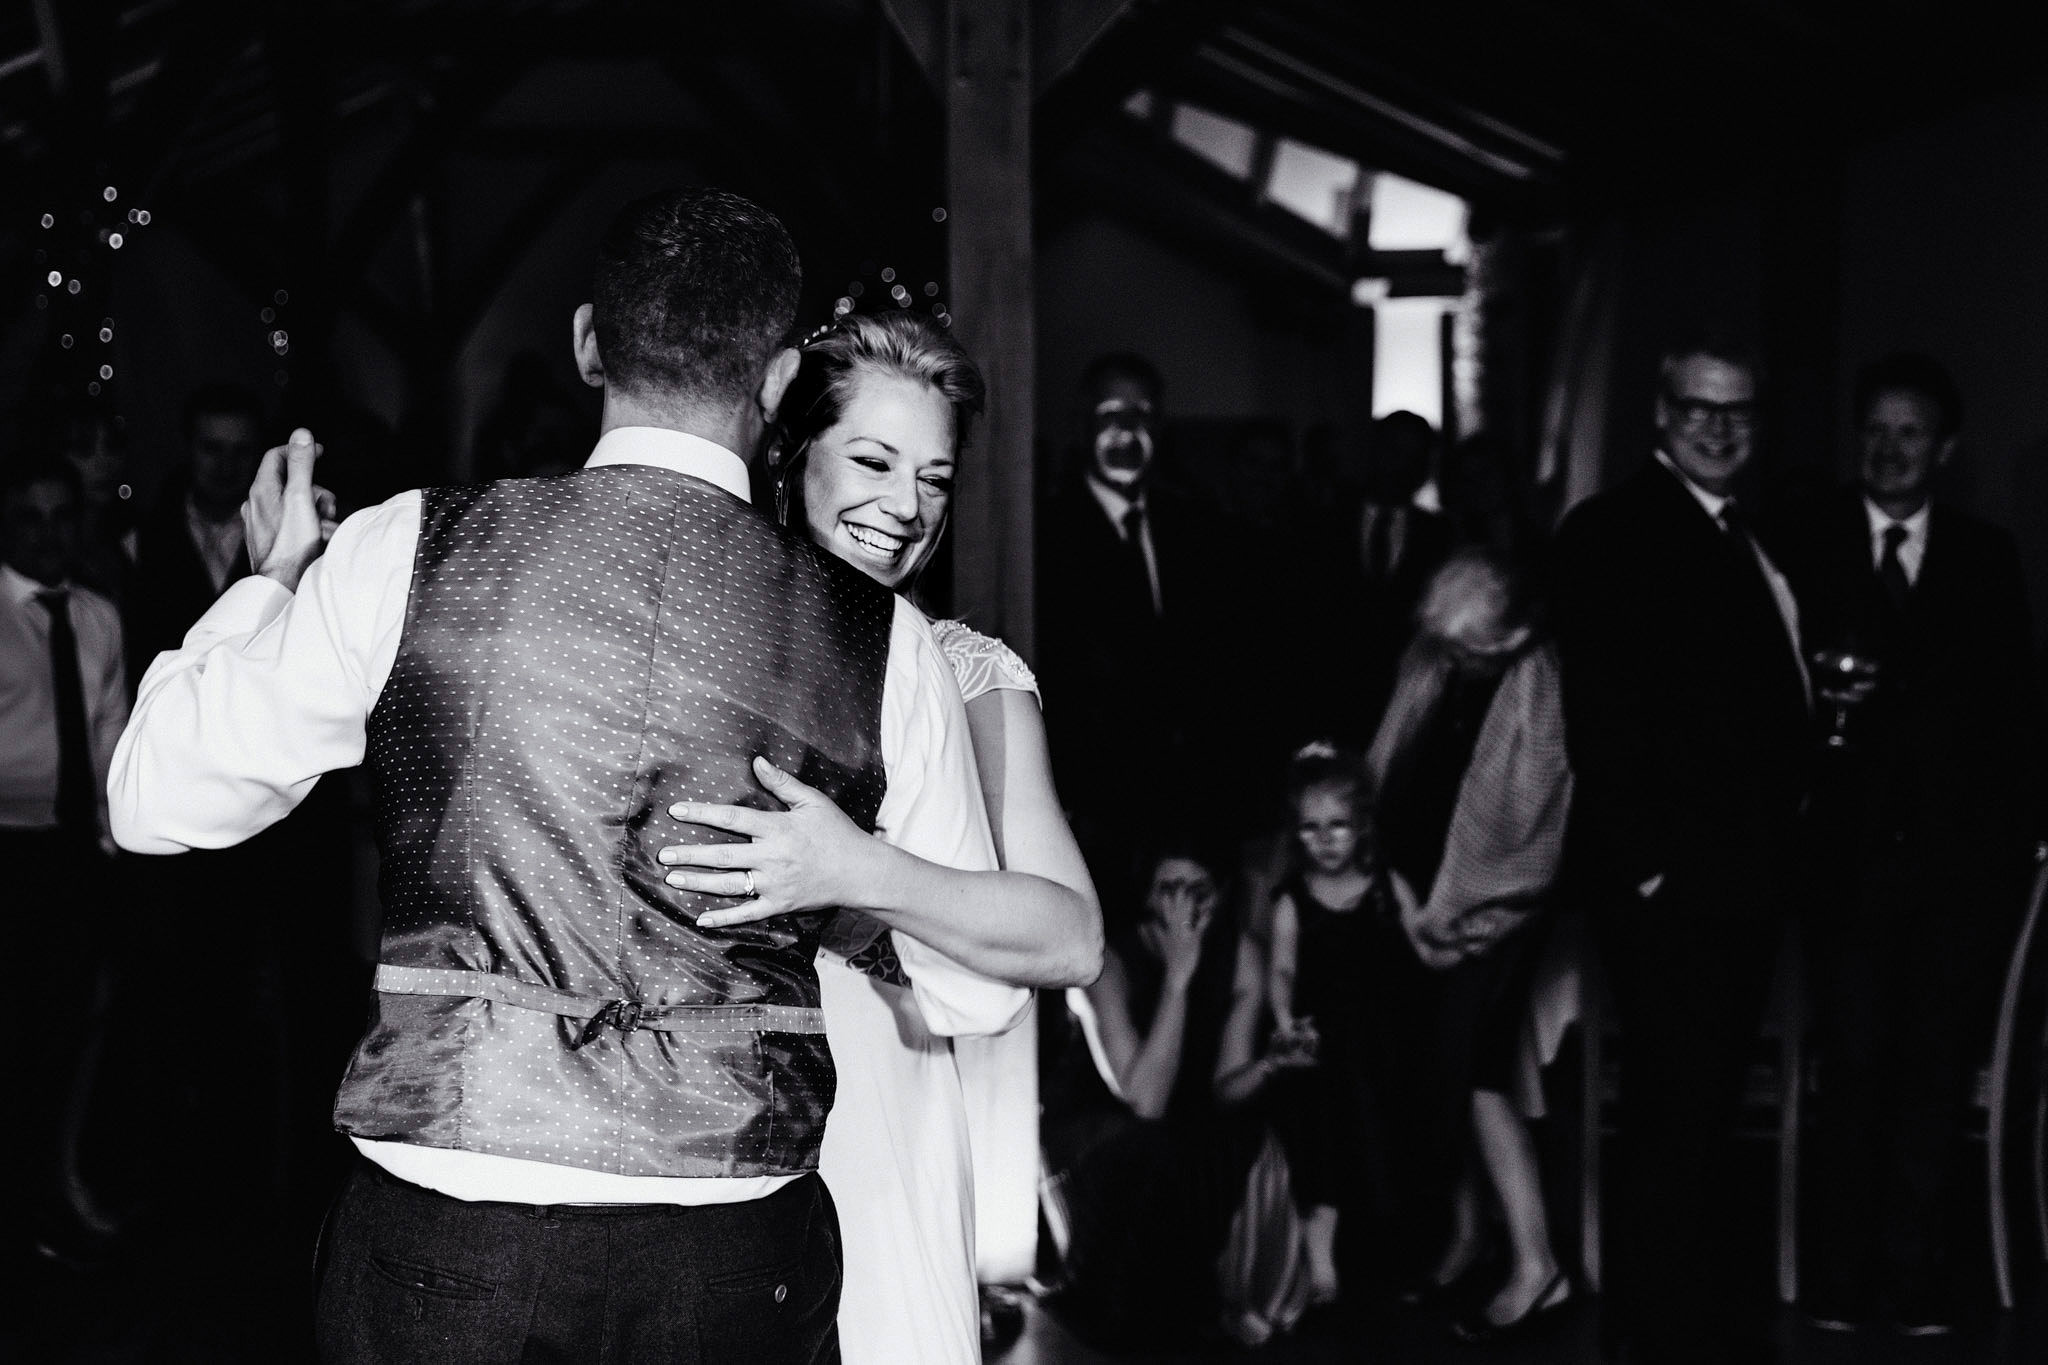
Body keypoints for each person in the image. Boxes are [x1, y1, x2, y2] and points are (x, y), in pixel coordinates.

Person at [109, 186, 1029, 1365]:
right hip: (731, 1252)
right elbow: (975, 994)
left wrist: (272, 581)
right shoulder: (881, 643)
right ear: (781, 380)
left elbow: (151, 799)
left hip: (451, 1229)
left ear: (591, 340)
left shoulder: (408, 547)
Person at [652, 308, 1104, 1363]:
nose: (905, 507)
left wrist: (857, 870)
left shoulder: (964, 672)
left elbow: (1069, 938)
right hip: (682, 1139)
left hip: (877, 1124)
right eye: (873, 460)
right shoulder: (685, 639)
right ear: (790, 454)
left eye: (935, 479)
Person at [1551, 334, 1811, 1365]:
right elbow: (1598, 715)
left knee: (1699, 1122)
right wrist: (1650, 866)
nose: (1717, 425)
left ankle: (1690, 1326)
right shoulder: (1612, 530)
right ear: (1659, 413)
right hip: (1670, 889)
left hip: (1735, 882)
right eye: (1699, 407)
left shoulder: (1743, 530)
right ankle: (1657, 1338)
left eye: (1736, 410)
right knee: (1669, 1121)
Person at [1788, 353, 2043, 1336]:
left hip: (1948, 876)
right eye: (1874, 430)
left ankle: (1911, 1281)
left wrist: (2005, 856)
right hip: (1844, 868)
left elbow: (2012, 722)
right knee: (1849, 1075)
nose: (1888, 449)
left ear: (1942, 449)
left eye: (1908, 433)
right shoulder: (1804, 543)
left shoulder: (1984, 556)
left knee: (1930, 1077)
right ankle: (1840, 1286)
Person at [1366, 551, 1575, 1343]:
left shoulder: (1543, 687)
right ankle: (1467, 1237)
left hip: (1496, 923)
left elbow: (1532, 842)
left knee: (1482, 1075)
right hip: (1414, 907)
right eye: (1447, 646)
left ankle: (1537, 1264)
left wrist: (1452, 924)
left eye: (1470, 651)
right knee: (1437, 1071)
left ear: (1516, 633)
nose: (1453, 661)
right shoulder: (1435, 660)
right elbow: (1385, 777)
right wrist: (1412, 908)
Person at [1041, 837, 1311, 1348]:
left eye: (1198, 891)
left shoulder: (1241, 956)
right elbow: (1145, 1099)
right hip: (1095, 1126)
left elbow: (1225, 1089)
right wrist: (1179, 977)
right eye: (1170, 889)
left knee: (1241, 1138)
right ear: (1149, 894)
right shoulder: (1108, 961)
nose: (1184, 907)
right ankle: (1124, 1315)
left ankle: (1203, 1308)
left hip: (1181, 1116)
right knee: (1154, 1149)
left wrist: (1270, 1065)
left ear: (1221, 895)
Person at [1036, 353, 1246, 897]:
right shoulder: (1045, 535)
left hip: (1192, 811)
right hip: (1094, 812)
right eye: (1110, 413)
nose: (1126, 432)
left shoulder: (1197, 527)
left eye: (1141, 414)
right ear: (1082, 425)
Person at [1, 457, 129, 1278]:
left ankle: (53, 1188)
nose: (49, 532)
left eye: (62, 514)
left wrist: (116, 855)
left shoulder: (98, 617)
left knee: (67, 1031)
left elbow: (110, 735)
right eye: (30, 515)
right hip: (5, 849)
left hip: (74, 857)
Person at [1264, 741, 1415, 1306]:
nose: (1324, 839)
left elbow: (1423, 941)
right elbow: (1281, 968)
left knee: (1387, 1139)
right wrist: (1285, 1021)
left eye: (1338, 825)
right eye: (1310, 828)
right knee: (1325, 1137)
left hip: (1387, 1045)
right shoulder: (1293, 901)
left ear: (1362, 826)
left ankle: (1389, 1262)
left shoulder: (1387, 888)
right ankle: (1321, 1261)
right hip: (1322, 1044)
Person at [125, 381, 265, 678]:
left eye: (241, 451)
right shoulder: (139, 541)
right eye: (212, 449)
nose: (227, 466)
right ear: (187, 447)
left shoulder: (278, 536)